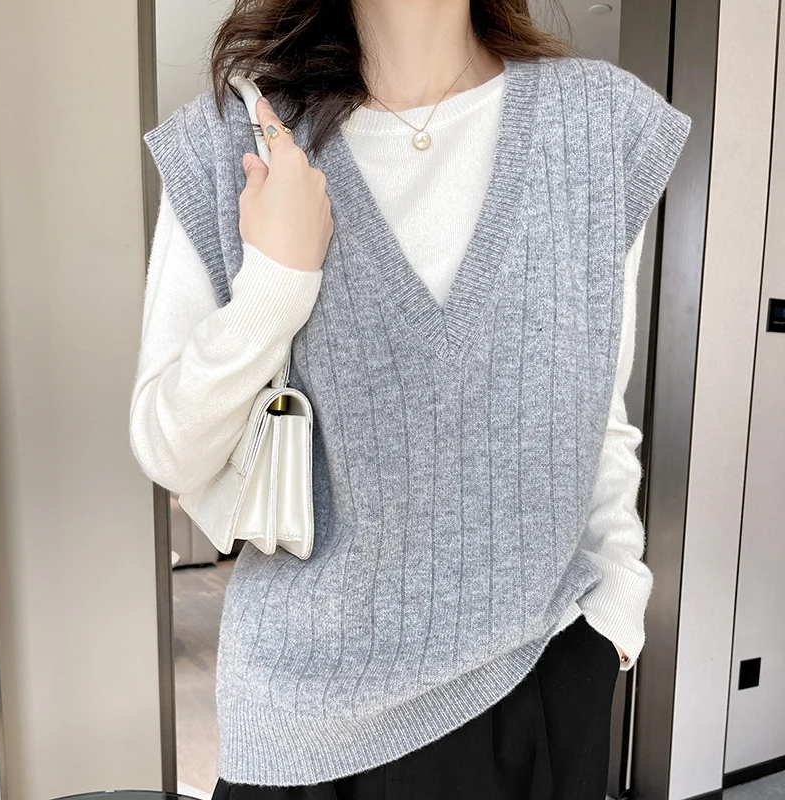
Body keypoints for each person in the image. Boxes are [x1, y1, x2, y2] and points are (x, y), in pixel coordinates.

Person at [129, 0, 692, 797]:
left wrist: (617, 611)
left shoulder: (598, 125)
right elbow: (168, 450)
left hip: (534, 683)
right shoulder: (234, 142)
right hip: (305, 722)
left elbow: (595, 414)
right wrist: (275, 285)